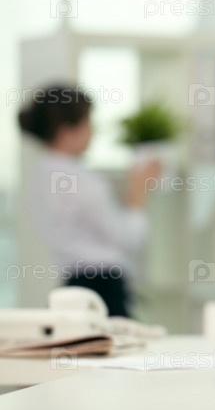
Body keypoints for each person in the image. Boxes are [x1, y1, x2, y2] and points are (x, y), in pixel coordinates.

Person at [18, 84, 159, 317]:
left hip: (73, 286)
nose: (93, 131)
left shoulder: (40, 176)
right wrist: (138, 192)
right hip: (103, 289)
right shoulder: (79, 179)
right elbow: (127, 238)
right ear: (66, 132)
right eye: (88, 123)